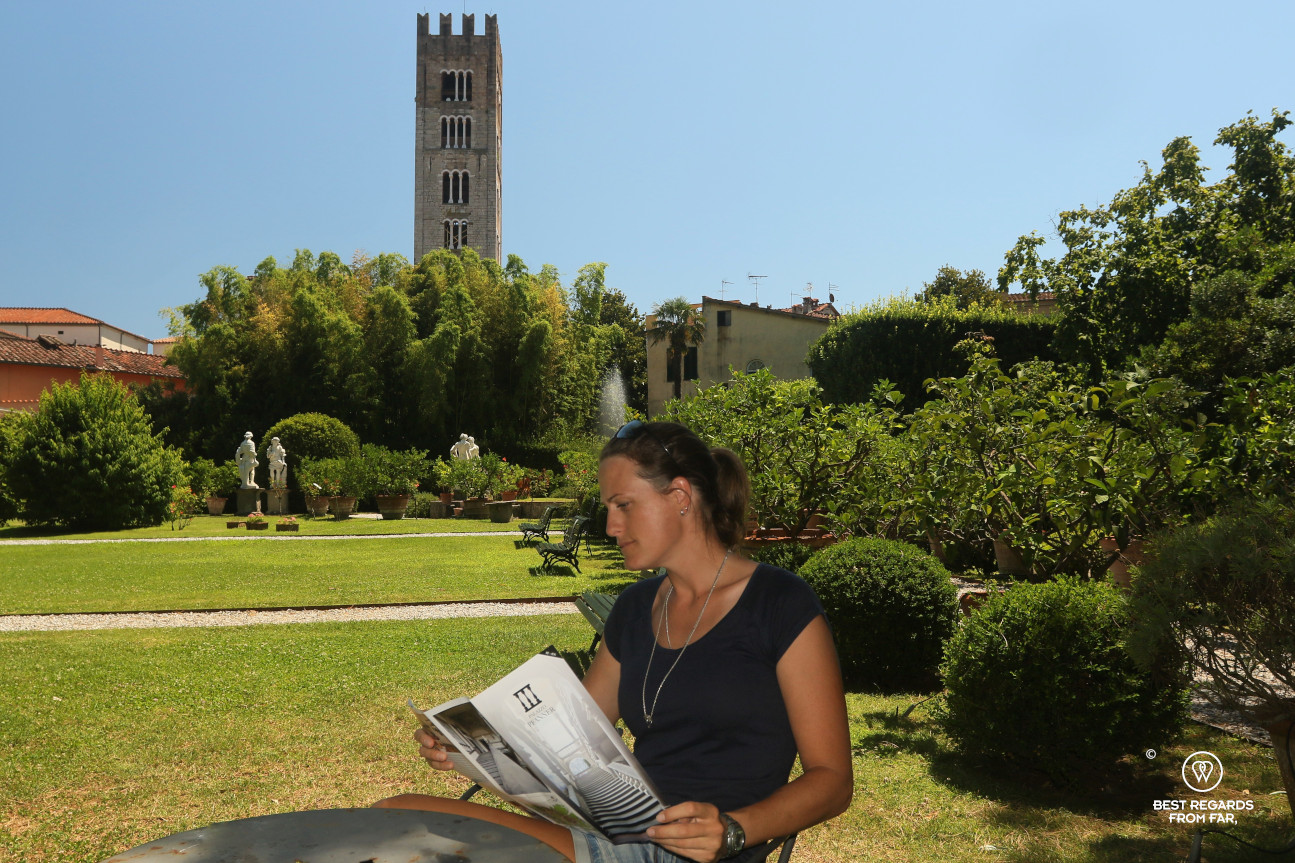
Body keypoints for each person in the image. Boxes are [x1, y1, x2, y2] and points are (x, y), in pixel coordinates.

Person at [376, 421, 852, 863]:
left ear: (681, 496)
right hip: (617, 829)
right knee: (396, 812)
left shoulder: (779, 604)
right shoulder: (635, 609)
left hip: (691, 851)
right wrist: (474, 754)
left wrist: (733, 829)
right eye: (608, 509)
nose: (610, 527)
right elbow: (566, 751)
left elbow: (832, 780)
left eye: (624, 505)